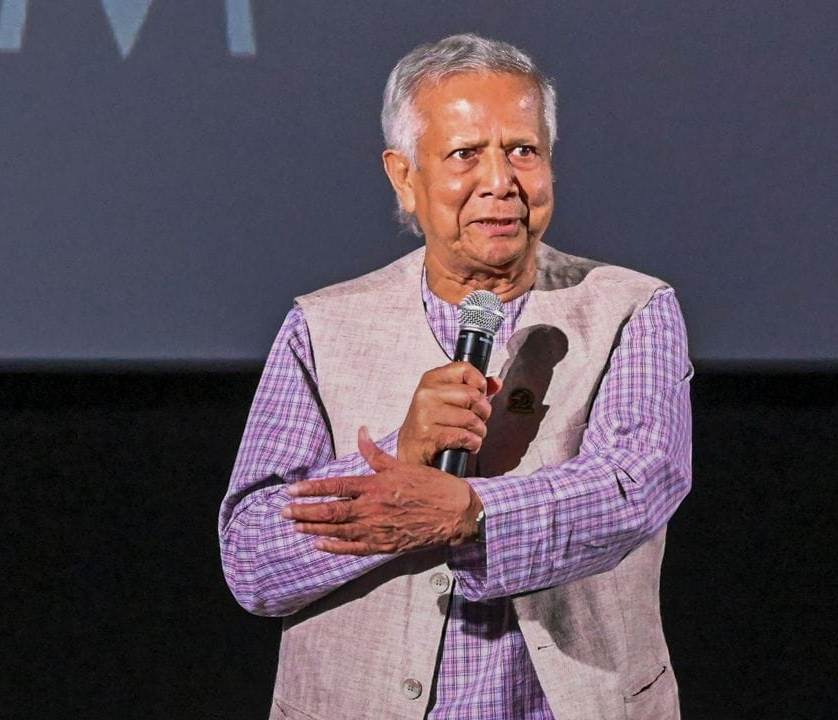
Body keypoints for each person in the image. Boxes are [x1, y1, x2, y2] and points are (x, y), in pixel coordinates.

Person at [219, 33, 692, 720]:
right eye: (466, 154)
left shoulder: (631, 308)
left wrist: (472, 513)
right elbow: (252, 562)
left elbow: (634, 486)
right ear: (404, 177)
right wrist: (401, 452)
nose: (500, 181)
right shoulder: (322, 326)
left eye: (523, 150)